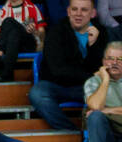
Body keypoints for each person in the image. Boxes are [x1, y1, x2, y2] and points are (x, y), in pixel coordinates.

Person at [29, 0, 104, 131]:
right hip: (59, 86)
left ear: (93, 13)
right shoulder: (56, 32)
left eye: (84, 10)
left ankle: (101, 134)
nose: (78, 14)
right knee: (37, 93)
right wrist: (91, 75)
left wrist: (93, 46)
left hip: (89, 87)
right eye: (74, 9)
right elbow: (57, 70)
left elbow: (103, 68)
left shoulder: (101, 32)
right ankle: (72, 132)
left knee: (111, 89)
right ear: (68, 12)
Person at [85, 41, 122, 142]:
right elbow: (95, 106)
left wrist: (106, 110)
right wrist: (105, 80)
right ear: (103, 61)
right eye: (110, 58)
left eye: (120, 59)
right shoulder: (93, 82)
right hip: (107, 136)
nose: (114, 63)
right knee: (95, 116)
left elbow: (100, 108)